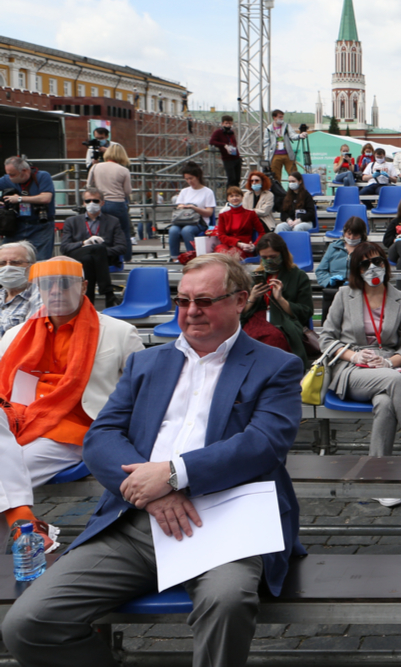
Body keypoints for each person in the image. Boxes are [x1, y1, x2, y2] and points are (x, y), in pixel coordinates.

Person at [1, 252, 307, 667]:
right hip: (135, 520)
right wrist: (153, 494)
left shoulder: (277, 365)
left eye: (205, 301)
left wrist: (173, 475)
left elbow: (265, 443)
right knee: (28, 624)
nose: (192, 312)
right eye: (182, 302)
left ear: (239, 301)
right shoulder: (147, 363)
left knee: (228, 600)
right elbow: (101, 436)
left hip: (228, 523)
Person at [0, 257, 143, 551]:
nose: (55, 292)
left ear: (84, 287)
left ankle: (24, 526)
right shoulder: (15, 336)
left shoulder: (118, 332)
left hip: (76, 428)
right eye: (47, 285)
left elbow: (144, 392)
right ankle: (27, 526)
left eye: (64, 284)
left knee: (10, 470)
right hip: (19, 423)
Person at [322, 243, 401, 468]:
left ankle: (376, 471)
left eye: (378, 261)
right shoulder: (344, 295)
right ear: (357, 269)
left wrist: (389, 362)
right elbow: (326, 339)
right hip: (353, 367)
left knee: (385, 402)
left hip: (391, 363)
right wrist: (353, 356)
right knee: (396, 381)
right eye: (365, 264)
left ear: (385, 264)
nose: (373, 268)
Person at [243, 233, 314, 367]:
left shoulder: (298, 276)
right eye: (264, 257)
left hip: (285, 322)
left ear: (283, 254)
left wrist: (280, 299)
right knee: (248, 339)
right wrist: (252, 297)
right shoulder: (255, 277)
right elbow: (241, 312)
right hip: (257, 319)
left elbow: (306, 312)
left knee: (273, 338)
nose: (269, 260)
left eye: (273, 257)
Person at [60, 188, 128, 307]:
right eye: (88, 201)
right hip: (77, 255)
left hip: (101, 258)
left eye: (95, 201)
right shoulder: (71, 221)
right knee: (96, 249)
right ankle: (108, 293)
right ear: (83, 203)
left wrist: (98, 251)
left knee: (90, 257)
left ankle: (88, 301)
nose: (91, 203)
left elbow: (122, 247)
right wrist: (84, 243)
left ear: (102, 202)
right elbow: (65, 247)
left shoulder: (113, 221)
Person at [0, 157, 56, 261]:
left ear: (24, 171)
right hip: (17, 225)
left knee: (40, 261)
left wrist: (19, 199)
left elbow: (46, 198)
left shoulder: (42, 176)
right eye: (8, 174)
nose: (9, 177)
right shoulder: (7, 179)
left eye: (12, 174)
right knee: (6, 257)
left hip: (41, 225)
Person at [89, 143, 135, 260]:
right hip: (117, 203)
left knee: (100, 231)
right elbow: (127, 191)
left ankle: (102, 258)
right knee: (124, 232)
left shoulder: (95, 167)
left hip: (99, 203)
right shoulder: (123, 170)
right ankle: (126, 259)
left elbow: (89, 186)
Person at [317, 216, 368, 320]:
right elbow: (321, 270)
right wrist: (329, 281)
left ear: (362, 235)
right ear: (344, 232)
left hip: (358, 291)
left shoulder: (368, 250)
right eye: (349, 234)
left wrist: (357, 281)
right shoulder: (333, 247)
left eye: (355, 234)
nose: (351, 237)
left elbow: (373, 272)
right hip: (334, 291)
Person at [167, 164, 218, 261]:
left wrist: (195, 208)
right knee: (173, 230)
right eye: (186, 179)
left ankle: (191, 257)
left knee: (187, 230)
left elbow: (209, 213)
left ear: (197, 176)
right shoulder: (184, 191)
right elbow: (179, 207)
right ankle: (174, 258)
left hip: (200, 222)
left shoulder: (207, 192)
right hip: (183, 220)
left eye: (191, 178)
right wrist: (184, 207)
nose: (189, 181)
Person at [210, 186, 265, 260]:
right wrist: (238, 243)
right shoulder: (223, 215)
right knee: (220, 254)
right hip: (227, 245)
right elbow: (221, 235)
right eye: (231, 196)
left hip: (245, 248)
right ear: (228, 199)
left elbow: (262, 232)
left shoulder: (251, 214)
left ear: (242, 197)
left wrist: (254, 246)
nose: (234, 198)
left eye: (237, 195)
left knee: (231, 255)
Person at [0, 242, 40, 337]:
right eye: (2, 263)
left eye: (16, 263)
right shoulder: (1, 295)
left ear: (32, 266)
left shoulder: (40, 298)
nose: (8, 267)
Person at [265, 109, 305, 181]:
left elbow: (292, 135)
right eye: (280, 117)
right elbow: (266, 144)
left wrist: (299, 136)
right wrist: (266, 159)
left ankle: (295, 189)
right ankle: (278, 191)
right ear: (274, 117)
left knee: (293, 173)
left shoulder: (286, 126)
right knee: (275, 176)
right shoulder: (268, 129)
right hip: (275, 154)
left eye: (282, 117)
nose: (282, 119)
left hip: (287, 154)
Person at [208, 115, 242, 190]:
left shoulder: (231, 132)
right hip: (227, 159)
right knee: (231, 179)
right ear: (222, 123)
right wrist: (224, 145)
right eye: (226, 123)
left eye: (230, 123)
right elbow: (212, 141)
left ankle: (237, 194)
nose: (228, 125)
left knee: (237, 179)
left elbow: (234, 143)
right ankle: (229, 196)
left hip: (236, 157)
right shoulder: (218, 132)